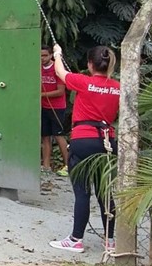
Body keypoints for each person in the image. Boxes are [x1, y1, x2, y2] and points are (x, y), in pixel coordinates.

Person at [48, 44, 119, 254]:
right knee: (105, 192)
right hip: (107, 141)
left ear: (90, 64)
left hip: (83, 140)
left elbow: (60, 72)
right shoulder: (117, 86)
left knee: (82, 192)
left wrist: (58, 54)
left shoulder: (84, 81)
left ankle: (76, 239)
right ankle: (110, 241)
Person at [41, 45, 70, 176]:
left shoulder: (56, 69)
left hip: (57, 107)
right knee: (45, 136)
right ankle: (46, 166)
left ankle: (68, 165)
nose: (42, 58)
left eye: (45, 55)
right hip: (43, 106)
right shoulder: (37, 68)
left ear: (51, 55)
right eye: (40, 56)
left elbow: (60, 91)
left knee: (59, 136)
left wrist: (41, 95)